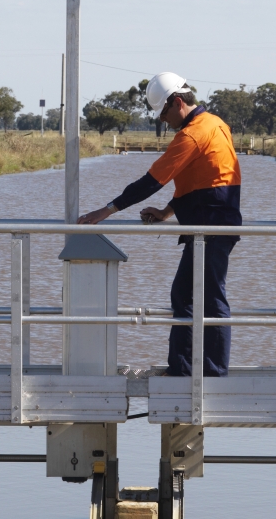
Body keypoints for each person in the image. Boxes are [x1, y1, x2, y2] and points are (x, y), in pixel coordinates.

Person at [77, 72, 241, 376]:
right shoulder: (216, 124)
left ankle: (212, 372)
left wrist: (107, 210)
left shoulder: (192, 134)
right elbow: (199, 181)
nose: (163, 121)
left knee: (207, 299)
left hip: (211, 226)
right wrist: (167, 212)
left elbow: (152, 181)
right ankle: (184, 367)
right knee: (186, 296)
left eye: (163, 113)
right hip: (211, 223)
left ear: (177, 102)